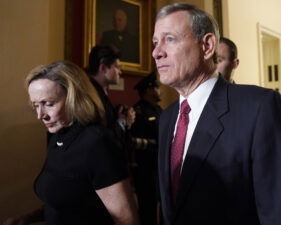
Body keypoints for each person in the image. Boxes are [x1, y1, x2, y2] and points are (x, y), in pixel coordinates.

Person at [152, 3, 281, 225]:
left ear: (207, 46)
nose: (157, 52)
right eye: (155, 42)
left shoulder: (258, 107)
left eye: (169, 39)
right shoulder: (167, 118)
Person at [3, 61, 139, 225]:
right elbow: (67, 202)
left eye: (49, 104)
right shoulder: (57, 137)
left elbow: (126, 220)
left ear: (75, 99)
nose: (40, 115)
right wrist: (28, 218)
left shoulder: (97, 142)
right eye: (36, 105)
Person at [87, 45, 134, 149]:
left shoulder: (96, 91)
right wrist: (123, 122)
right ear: (103, 68)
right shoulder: (91, 96)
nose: (120, 72)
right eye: (117, 67)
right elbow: (101, 138)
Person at [131, 72, 163, 225]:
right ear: (149, 90)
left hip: (159, 167)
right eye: (157, 88)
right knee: (147, 209)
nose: (159, 91)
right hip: (145, 169)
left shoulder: (159, 110)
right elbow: (135, 143)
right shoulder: (138, 112)